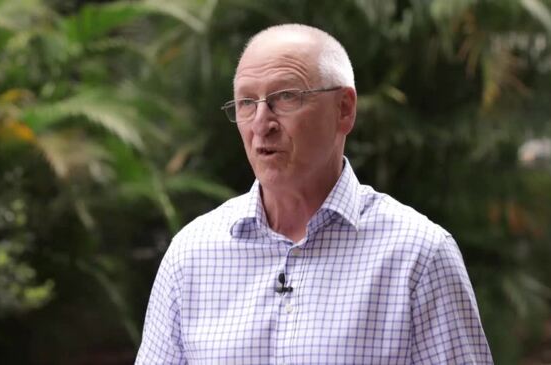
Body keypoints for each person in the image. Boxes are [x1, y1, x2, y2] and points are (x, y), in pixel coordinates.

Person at [135, 23, 493, 364]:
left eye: (286, 97)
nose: (261, 123)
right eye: (246, 102)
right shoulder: (191, 255)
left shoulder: (418, 255)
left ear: (344, 109)